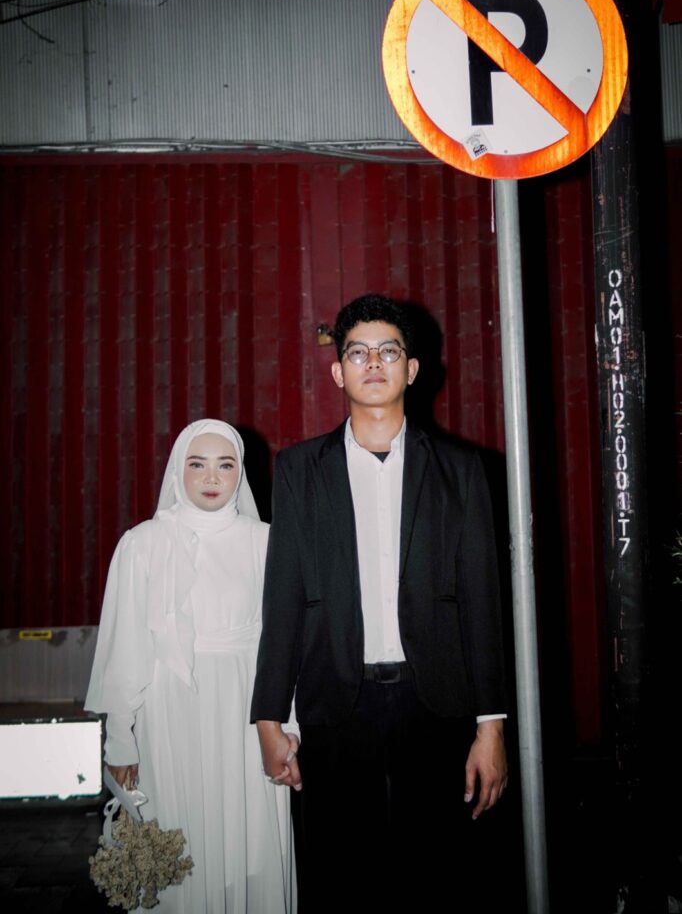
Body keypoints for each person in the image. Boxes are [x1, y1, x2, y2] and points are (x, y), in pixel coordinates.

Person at [251, 295, 507, 911]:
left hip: (435, 700)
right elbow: (283, 596)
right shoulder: (299, 471)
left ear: (411, 369)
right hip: (336, 701)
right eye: (357, 352)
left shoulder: (462, 470)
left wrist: (491, 726)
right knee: (342, 877)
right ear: (338, 371)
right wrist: (268, 718)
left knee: (440, 876)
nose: (373, 362)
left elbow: (483, 601)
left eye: (388, 351)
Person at [86, 419, 296, 914]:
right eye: (197, 464)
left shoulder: (267, 542)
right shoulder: (143, 544)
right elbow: (126, 646)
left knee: (251, 842)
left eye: (226, 465)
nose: (211, 477)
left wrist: (289, 727)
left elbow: (285, 645)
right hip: (169, 713)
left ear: (241, 473)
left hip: (249, 709)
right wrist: (120, 737)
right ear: (178, 470)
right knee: (180, 840)